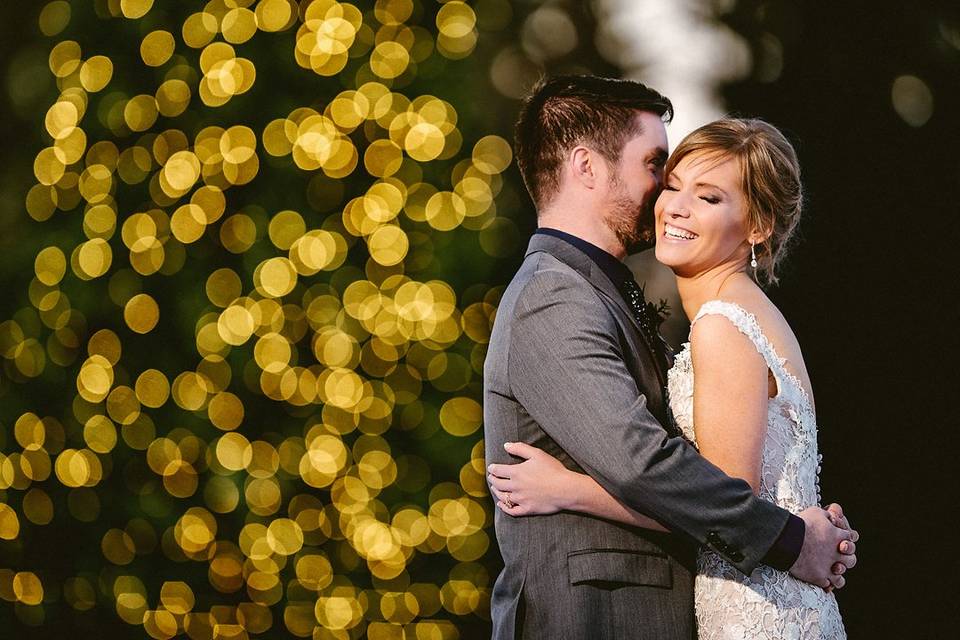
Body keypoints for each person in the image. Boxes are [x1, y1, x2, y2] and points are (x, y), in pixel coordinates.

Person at [483, 76, 857, 640]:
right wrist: (789, 538)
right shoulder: (552, 296)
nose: (665, 196)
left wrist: (570, 488)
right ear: (587, 167)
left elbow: (687, 472)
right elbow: (642, 463)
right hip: (595, 618)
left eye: (703, 194)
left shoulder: (710, 316)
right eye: (657, 166)